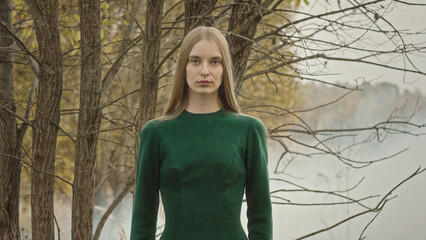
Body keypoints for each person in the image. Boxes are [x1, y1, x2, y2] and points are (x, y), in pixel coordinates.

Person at [130, 26, 273, 240]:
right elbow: (143, 218)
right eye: (195, 61)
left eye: (214, 62)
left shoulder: (249, 130)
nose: (204, 71)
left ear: (224, 68)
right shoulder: (156, 133)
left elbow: (260, 214)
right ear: (183, 67)